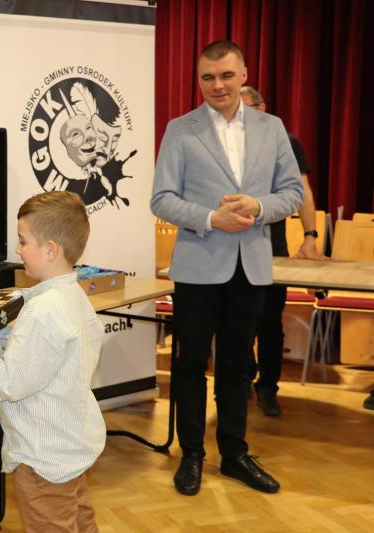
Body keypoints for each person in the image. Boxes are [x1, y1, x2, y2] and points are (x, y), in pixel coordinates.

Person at [151, 40, 303, 496]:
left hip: (250, 267)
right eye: (208, 77)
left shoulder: (272, 128)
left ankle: (235, 454)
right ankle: (192, 455)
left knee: (238, 366)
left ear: (244, 76)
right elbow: (161, 199)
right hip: (197, 267)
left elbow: (292, 193)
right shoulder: (180, 129)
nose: (217, 85)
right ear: (199, 80)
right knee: (190, 364)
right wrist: (209, 218)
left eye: (226, 75)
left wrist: (258, 205)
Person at [0, 191, 106, 533]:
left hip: (43, 460)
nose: (17, 249)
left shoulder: (42, 311)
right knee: (81, 521)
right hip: (68, 448)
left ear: (51, 250)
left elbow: (11, 384)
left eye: (23, 240)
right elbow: (39, 358)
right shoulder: (73, 297)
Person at [240, 85, 326, 416]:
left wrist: (310, 236)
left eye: (246, 108)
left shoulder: (285, 142)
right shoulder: (226, 145)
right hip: (230, 248)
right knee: (238, 322)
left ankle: (268, 388)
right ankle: (243, 379)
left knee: (269, 323)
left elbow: (303, 191)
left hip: (271, 248)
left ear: (262, 108)